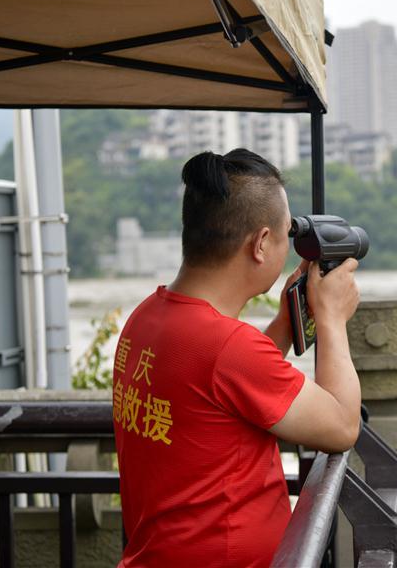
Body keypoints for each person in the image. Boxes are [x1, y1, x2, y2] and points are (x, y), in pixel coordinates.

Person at [112, 149, 362, 567]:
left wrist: (286, 321)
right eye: (287, 233)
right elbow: (341, 426)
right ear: (262, 243)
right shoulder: (229, 347)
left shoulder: (146, 317)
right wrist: (333, 320)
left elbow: (224, 387)